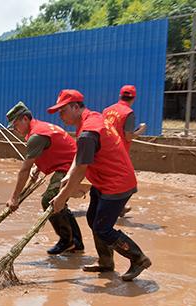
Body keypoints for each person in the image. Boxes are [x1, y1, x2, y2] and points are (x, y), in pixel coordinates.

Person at [48, 89, 151, 281]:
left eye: (62, 111)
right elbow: (79, 159)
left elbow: (81, 170)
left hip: (116, 184)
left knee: (103, 228)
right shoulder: (91, 118)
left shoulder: (89, 131)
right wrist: (68, 175)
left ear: (75, 107)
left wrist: (62, 198)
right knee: (92, 218)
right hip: (104, 180)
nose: (60, 116)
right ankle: (105, 262)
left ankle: (138, 258)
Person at [5, 101, 84, 255]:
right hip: (72, 162)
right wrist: (39, 167)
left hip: (73, 165)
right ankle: (76, 242)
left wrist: (14, 198)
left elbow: (24, 170)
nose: (15, 130)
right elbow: (51, 149)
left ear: (25, 119)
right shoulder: (39, 128)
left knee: (50, 199)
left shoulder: (36, 136)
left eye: (15, 125)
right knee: (58, 202)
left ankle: (66, 241)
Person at [103, 85, 146, 217]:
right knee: (128, 183)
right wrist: (141, 131)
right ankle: (114, 210)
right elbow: (128, 136)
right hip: (119, 153)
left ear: (120, 96)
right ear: (133, 98)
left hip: (104, 150)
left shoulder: (106, 110)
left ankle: (117, 209)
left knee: (108, 180)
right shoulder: (128, 113)